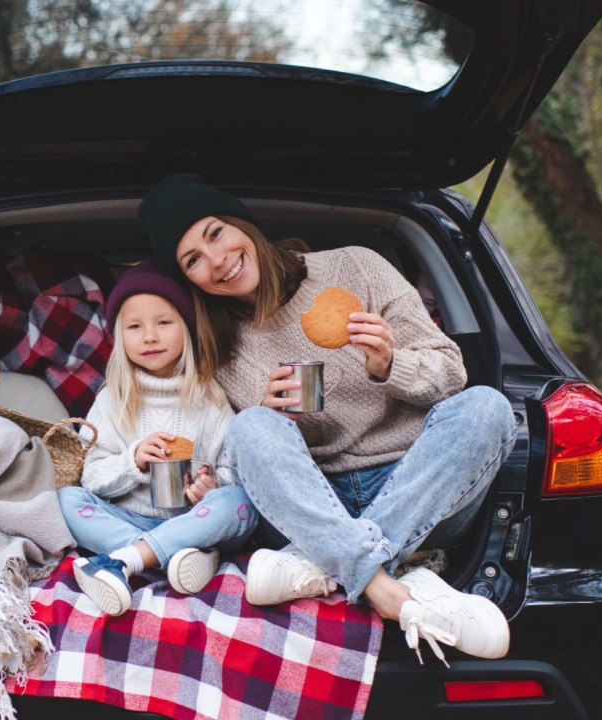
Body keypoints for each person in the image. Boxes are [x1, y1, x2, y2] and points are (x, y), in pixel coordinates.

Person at [137, 172, 519, 665]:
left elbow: (451, 372)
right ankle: (386, 588)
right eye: (192, 260)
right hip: (312, 502)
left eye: (215, 233)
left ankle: (320, 566)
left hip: (416, 487)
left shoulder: (357, 267)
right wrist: (270, 419)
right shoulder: (218, 348)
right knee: (251, 427)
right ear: (187, 277)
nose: (217, 261)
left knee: (486, 407)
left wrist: (390, 364)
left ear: (241, 223)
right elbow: (235, 464)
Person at [58, 258, 260, 617]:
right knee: (66, 499)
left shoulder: (211, 398)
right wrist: (132, 460)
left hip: (197, 520)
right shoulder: (112, 400)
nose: (149, 336)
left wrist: (210, 488)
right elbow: (91, 478)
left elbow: (233, 469)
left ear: (186, 328)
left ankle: (128, 561)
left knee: (239, 502)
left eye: (164, 323)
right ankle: (178, 558)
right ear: (120, 337)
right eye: (134, 326)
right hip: (131, 519)